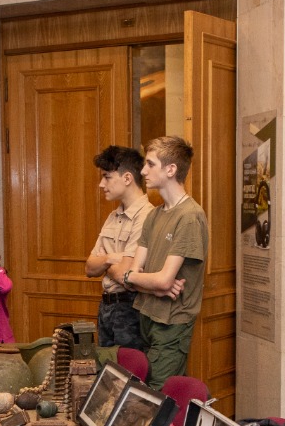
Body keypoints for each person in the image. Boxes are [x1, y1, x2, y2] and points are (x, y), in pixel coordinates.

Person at [124, 136, 208, 389]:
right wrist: (151, 284)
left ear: (171, 169)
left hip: (171, 324)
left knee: (156, 400)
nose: (142, 171)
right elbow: (134, 275)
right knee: (142, 394)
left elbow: (160, 278)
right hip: (146, 316)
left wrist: (146, 280)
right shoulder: (154, 215)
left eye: (150, 164)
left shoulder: (190, 216)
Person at [85, 145, 154, 351]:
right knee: (106, 373)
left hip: (131, 308)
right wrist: (110, 259)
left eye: (107, 177)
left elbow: (126, 273)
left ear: (127, 178)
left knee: (128, 374)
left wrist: (106, 262)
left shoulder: (146, 216)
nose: (101, 184)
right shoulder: (113, 216)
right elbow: (89, 267)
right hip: (106, 307)